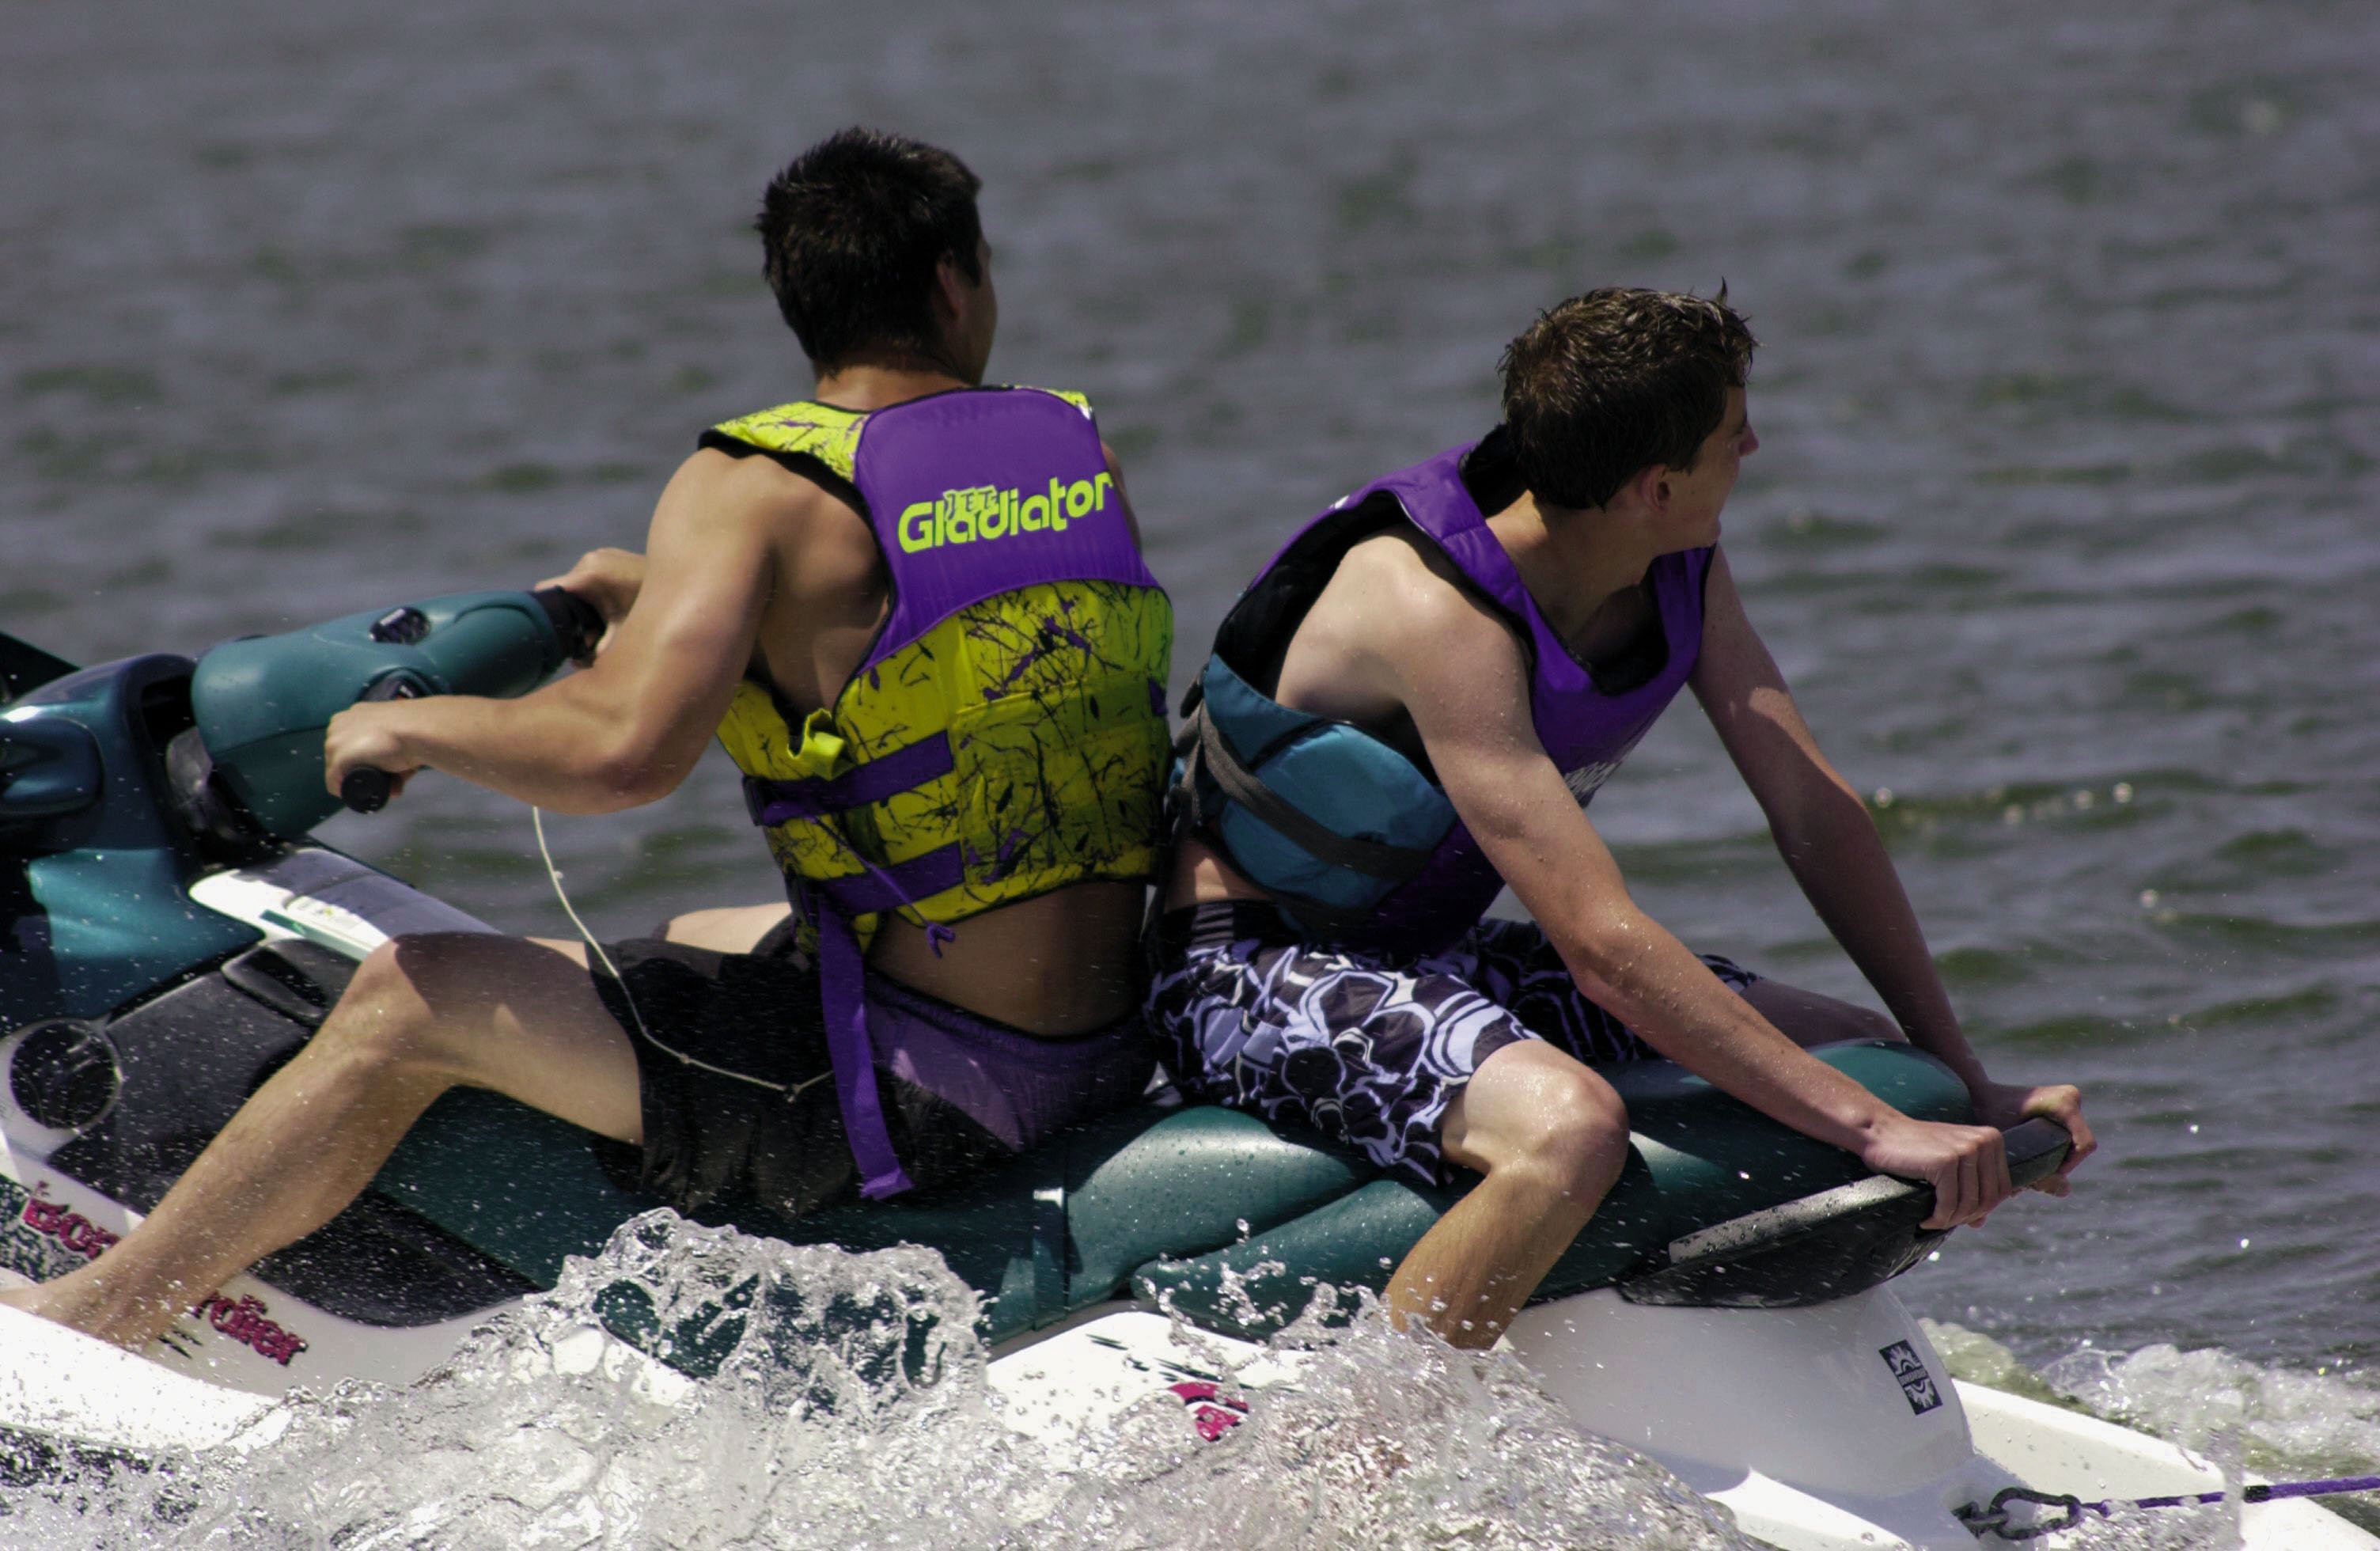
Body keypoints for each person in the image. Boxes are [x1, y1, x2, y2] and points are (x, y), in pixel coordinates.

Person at [3, 127, 1174, 1349]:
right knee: (666, 936)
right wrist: (675, 601)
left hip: (925, 1092)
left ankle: (98, 1310)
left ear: (801, 303)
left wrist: (410, 724)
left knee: (413, 997)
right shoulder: (1070, 452)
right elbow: (942, 677)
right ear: (953, 282)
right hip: (1090, 1030)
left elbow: (623, 756)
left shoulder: (753, 485)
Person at [1150, 286, 2094, 1350]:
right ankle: (1370, 1453)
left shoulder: (1678, 564)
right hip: (1242, 973)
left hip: (1426, 958)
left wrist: (1958, 1079)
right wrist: (1876, 1131)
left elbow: (1814, 813)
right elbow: (1600, 945)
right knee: (1572, 1132)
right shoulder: (1432, 608)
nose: (1754, 443)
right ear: (1656, 485)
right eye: (1732, 433)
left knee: (1866, 1054)